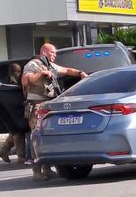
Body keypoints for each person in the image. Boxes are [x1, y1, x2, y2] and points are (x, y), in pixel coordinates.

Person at [22, 43, 88, 181]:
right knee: (36, 138)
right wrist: (40, 74)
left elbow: (66, 70)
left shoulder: (50, 65)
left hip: (48, 106)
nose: (55, 55)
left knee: (46, 138)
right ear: (44, 52)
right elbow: (25, 81)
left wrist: (80, 73)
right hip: (37, 106)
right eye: (53, 53)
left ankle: (47, 168)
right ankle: (36, 171)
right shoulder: (33, 64)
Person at [0, 63, 26, 164]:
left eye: (19, 71)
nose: (18, 74)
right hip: (9, 111)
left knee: (17, 130)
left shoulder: (13, 81)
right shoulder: (7, 83)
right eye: (17, 71)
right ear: (12, 72)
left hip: (13, 110)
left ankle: (4, 149)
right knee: (18, 131)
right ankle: (21, 156)